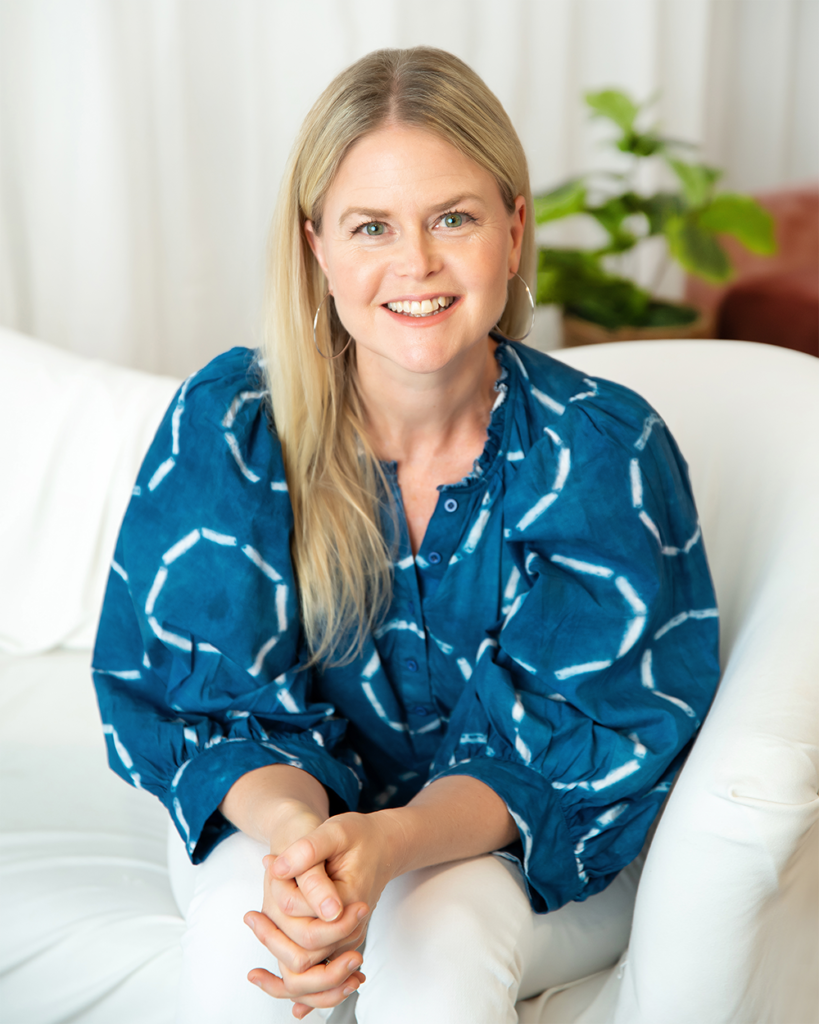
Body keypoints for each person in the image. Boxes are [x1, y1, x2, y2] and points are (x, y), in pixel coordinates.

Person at [92, 46, 720, 1023]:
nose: (416, 263)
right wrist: (309, 839)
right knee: (244, 927)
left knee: (442, 925)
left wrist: (389, 844)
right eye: (371, 225)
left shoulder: (603, 450)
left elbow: (562, 747)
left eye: (454, 218)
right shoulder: (231, 422)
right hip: (281, 807)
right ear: (316, 247)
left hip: (530, 837)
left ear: (513, 232)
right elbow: (211, 703)